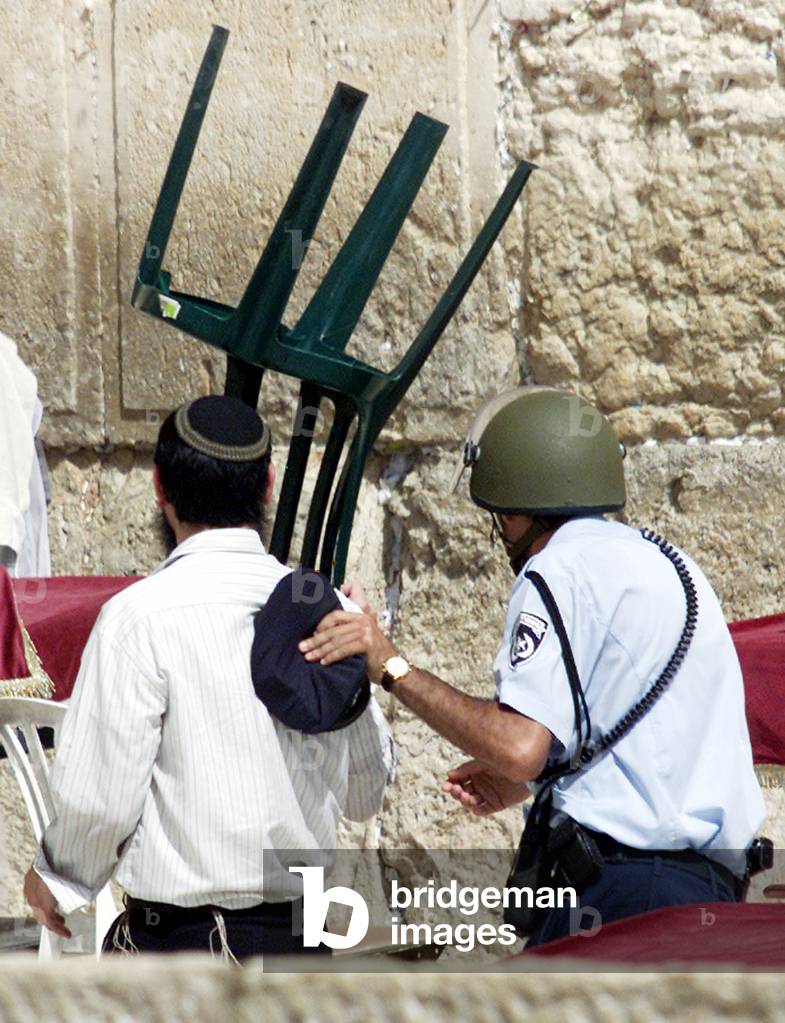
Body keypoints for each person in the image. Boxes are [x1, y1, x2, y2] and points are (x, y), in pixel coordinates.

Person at [301, 386, 765, 947]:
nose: (503, 530)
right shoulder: (671, 565)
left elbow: (521, 746)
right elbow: (655, 737)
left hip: (618, 893)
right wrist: (540, 778)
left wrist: (389, 664)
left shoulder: (555, 571)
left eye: (502, 516)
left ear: (519, 505)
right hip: (708, 895)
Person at [24, 394, 393, 958]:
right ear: (268, 485)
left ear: (159, 489)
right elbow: (366, 795)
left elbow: (102, 800)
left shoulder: (138, 620)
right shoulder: (326, 613)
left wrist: (58, 876)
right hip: (300, 954)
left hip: (183, 957)